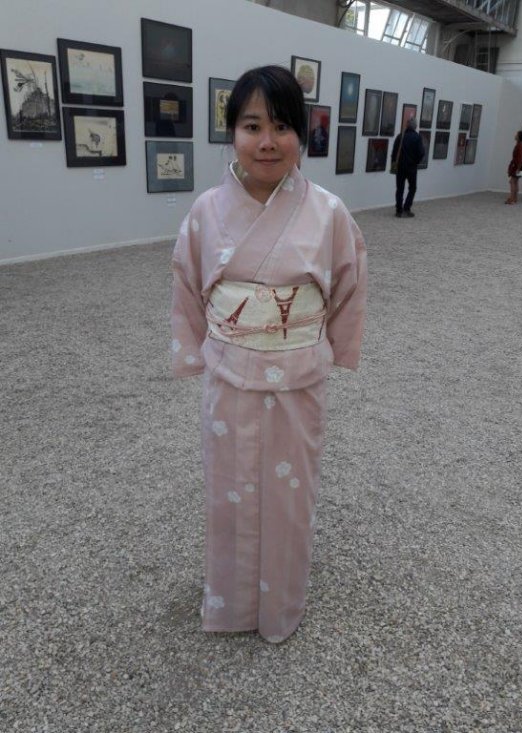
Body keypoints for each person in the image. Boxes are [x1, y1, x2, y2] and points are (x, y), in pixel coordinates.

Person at [170, 65, 367, 644]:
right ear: (232, 133)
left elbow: (348, 285)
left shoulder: (328, 212)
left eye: (282, 126)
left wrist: (325, 343)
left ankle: (281, 605)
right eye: (252, 126)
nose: (267, 142)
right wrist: (202, 349)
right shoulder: (206, 211)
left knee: (289, 494)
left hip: (297, 379)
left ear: (301, 135)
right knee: (228, 491)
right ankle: (230, 605)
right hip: (229, 377)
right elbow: (187, 285)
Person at [391, 117, 425, 218]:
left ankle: (399, 210)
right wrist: (416, 162)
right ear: (415, 126)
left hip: (400, 167)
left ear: (407, 125)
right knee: (412, 188)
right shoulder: (417, 137)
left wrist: (394, 163)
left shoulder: (400, 136)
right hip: (411, 167)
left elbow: (394, 152)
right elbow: (421, 153)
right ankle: (406, 208)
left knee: (399, 189)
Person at [505, 130, 522, 204]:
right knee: (516, 181)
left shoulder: (520, 145)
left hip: (517, 166)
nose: (515, 136)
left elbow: (520, 157)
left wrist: (518, 168)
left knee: (512, 181)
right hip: (520, 165)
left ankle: (512, 199)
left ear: (519, 136)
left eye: (516, 135)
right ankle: (515, 198)